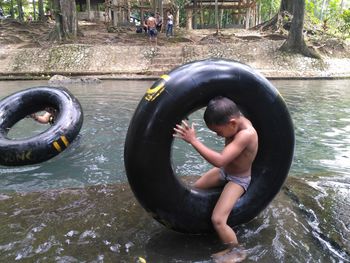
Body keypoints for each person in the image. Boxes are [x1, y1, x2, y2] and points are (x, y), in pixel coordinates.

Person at [173, 96, 258, 262]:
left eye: (218, 132)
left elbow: (220, 160)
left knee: (218, 220)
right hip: (224, 171)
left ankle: (237, 250)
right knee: (195, 190)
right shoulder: (233, 120)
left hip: (238, 179)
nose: (218, 136)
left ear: (232, 123)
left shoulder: (246, 134)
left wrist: (193, 140)